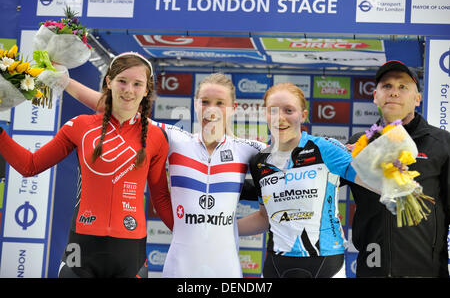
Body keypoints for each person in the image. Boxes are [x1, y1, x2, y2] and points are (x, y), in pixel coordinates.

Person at [65, 72, 266, 277]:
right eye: (205, 102)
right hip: (180, 267)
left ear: (234, 108)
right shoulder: (176, 139)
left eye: (220, 103)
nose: (212, 109)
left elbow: (287, 156)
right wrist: (64, 80)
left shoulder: (247, 149)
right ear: (195, 104)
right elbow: (119, 109)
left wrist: (228, 228)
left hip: (226, 269)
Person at [0, 52, 173, 278]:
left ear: (146, 89)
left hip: (131, 253)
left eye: (137, 84)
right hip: (81, 250)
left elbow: (160, 198)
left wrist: (190, 234)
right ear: (109, 82)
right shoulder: (80, 126)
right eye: (122, 81)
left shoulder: (157, 136)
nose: (129, 90)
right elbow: (30, 166)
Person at [237, 82, 379, 278]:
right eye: (273, 111)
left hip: (324, 263)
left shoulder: (324, 148)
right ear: (265, 114)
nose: (280, 118)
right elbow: (263, 218)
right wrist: (221, 228)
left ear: (303, 115)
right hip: (276, 264)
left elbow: (374, 181)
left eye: (289, 110)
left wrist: (394, 172)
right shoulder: (259, 161)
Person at [343, 60, 450, 278]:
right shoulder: (359, 144)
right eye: (387, 86)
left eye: (403, 87)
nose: (394, 93)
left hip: (426, 270)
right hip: (372, 267)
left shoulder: (442, 142)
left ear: (417, 99)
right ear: (375, 96)